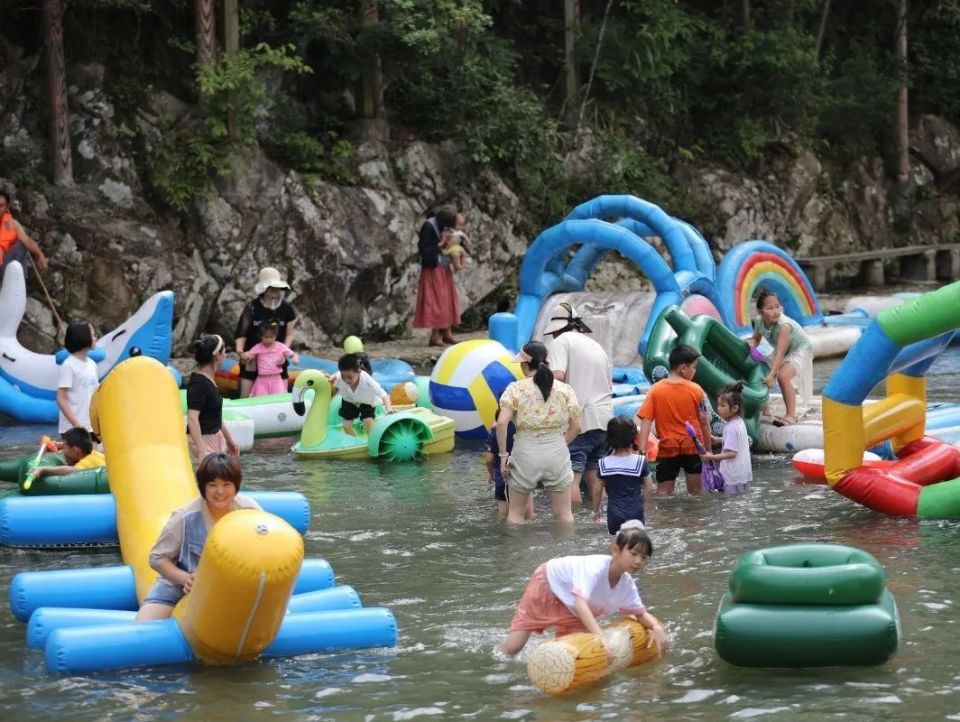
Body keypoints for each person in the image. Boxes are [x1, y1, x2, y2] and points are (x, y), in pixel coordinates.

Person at [502, 521, 667, 658]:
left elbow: (639, 614)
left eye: (644, 557)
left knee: (574, 653)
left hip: (575, 607)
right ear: (616, 551)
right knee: (513, 647)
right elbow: (580, 603)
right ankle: (497, 658)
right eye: (634, 553)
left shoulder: (626, 584)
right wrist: (601, 636)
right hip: (547, 585)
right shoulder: (595, 568)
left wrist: (656, 627)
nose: (638, 561)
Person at [135, 453, 261, 621]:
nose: (220, 491)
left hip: (235, 585)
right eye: (212, 485)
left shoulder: (250, 511)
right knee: (143, 629)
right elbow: (157, 557)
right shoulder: (185, 517)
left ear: (236, 486)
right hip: (180, 587)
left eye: (227, 484)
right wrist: (186, 579)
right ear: (203, 487)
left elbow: (265, 549)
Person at [495, 341, 582, 524]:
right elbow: (577, 427)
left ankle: (516, 552)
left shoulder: (515, 389)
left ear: (525, 364)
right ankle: (567, 551)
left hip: (525, 452)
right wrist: (559, 444)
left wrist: (503, 456)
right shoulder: (564, 389)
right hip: (557, 452)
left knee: (516, 515)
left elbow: (502, 423)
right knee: (564, 515)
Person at [545, 302, 614, 508]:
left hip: (580, 420)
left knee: (571, 476)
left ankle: (570, 524)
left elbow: (557, 377)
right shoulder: (595, 345)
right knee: (593, 473)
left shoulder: (562, 342)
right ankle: (598, 515)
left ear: (558, 329)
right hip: (604, 421)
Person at [636, 344, 712, 497]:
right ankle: (694, 521)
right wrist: (708, 450)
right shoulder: (696, 390)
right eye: (694, 367)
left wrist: (642, 451)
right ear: (683, 368)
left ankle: (666, 520)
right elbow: (704, 422)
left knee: (663, 492)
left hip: (667, 447)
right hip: (692, 446)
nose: (695, 371)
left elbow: (646, 420)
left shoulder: (655, 390)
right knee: (696, 492)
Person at [750, 288, 813, 426]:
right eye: (770, 308)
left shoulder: (784, 326)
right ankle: (765, 406)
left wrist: (773, 375)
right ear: (761, 311)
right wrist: (751, 347)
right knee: (759, 365)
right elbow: (755, 339)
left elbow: (779, 353)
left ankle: (791, 415)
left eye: (777, 307)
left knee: (783, 376)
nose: (776, 311)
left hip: (800, 349)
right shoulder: (759, 321)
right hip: (780, 349)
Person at [235, 267, 298, 398]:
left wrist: (284, 354)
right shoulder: (252, 307)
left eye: (276, 286)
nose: (274, 289)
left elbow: (290, 334)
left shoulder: (287, 308)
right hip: (252, 360)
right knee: (245, 398)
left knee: (282, 400)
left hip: (277, 360)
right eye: (271, 286)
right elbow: (241, 333)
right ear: (264, 288)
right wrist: (241, 353)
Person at [594, 417, 653, 535]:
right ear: (633, 437)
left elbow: (597, 490)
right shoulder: (640, 462)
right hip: (635, 512)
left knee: (617, 550)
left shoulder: (604, 463)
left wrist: (596, 510)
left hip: (614, 514)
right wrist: (642, 501)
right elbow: (649, 487)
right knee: (636, 548)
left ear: (609, 438)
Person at [187, 334, 240, 464]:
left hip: (214, 438)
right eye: (224, 352)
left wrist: (229, 440)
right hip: (202, 442)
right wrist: (201, 451)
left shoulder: (209, 380)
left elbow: (215, 415)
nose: (226, 355)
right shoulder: (200, 383)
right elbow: (192, 419)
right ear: (217, 356)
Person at [413, 207, 461, 347]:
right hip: (432, 268)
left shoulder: (443, 226)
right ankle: (435, 336)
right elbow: (424, 249)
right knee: (437, 302)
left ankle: (447, 333)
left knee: (447, 300)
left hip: (443, 268)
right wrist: (440, 244)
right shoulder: (428, 226)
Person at [700, 382, 752, 494]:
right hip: (742, 475)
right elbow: (736, 442)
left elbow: (732, 453)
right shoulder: (739, 422)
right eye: (718, 405)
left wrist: (711, 457)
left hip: (732, 477)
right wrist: (718, 439)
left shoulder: (731, 428)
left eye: (722, 406)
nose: (718, 409)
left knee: (730, 505)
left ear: (734, 408)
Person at [484, 407, 533, 518]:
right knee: (528, 517)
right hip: (522, 477)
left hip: (501, 479)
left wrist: (492, 475)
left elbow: (488, 459)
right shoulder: (524, 429)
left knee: (504, 517)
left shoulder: (494, 431)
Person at [328, 353, 393, 436]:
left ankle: (372, 439)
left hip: (366, 401)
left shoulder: (367, 380)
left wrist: (389, 409)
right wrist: (331, 378)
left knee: (367, 422)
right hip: (349, 401)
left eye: (350, 377)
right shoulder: (340, 376)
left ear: (359, 371)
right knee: (346, 425)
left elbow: (384, 394)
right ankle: (353, 440)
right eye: (343, 376)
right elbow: (336, 376)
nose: (346, 380)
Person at [57, 321, 99, 436]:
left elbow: (95, 395)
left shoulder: (92, 365)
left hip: (90, 426)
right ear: (83, 337)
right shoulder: (69, 365)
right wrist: (77, 424)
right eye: (93, 335)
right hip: (73, 428)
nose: (96, 338)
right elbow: (61, 398)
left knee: (97, 452)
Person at [241, 320, 299, 397]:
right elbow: (249, 355)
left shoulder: (280, 346)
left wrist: (295, 358)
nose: (269, 340)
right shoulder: (258, 347)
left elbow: (292, 354)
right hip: (262, 380)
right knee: (259, 400)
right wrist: (245, 355)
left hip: (276, 379)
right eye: (266, 337)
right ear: (261, 336)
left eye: (271, 337)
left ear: (276, 335)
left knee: (279, 399)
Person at [0, 191, 48, 272]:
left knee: (21, 244)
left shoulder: (12, 224)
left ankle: (18, 281)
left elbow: (27, 240)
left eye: (1, 206)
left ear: (6, 208)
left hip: (4, 267)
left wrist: (40, 255)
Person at [31, 427, 105, 479]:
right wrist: (59, 445)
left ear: (74, 451)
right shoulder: (93, 453)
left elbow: (71, 470)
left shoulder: (85, 462)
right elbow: (76, 447)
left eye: (65, 448)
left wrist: (43, 469)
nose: (63, 452)